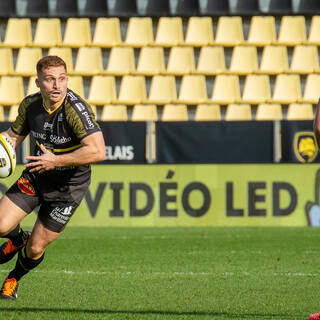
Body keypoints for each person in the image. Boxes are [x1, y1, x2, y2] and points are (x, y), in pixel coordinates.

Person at [0, 55, 106, 300]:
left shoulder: (75, 110)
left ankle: (13, 278)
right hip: (38, 175)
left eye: (61, 79)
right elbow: (13, 137)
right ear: (38, 83)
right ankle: (17, 239)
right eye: (50, 80)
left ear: (67, 79)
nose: (57, 85)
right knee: (2, 225)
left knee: (36, 248)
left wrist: (56, 160)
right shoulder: (30, 105)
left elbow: (98, 150)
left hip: (68, 188)